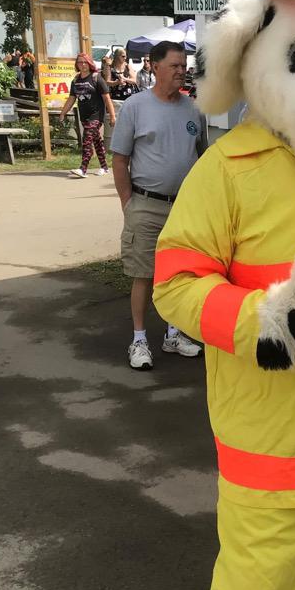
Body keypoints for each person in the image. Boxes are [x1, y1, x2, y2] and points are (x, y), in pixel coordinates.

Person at [111, 40, 205, 370]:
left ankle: (174, 334)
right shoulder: (136, 106)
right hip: (146, 205)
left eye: (184, 66)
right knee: (143, 275)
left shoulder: (193, 108)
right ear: (155, 66)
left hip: (184, 208)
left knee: (179, 273)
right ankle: (139, 340)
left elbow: (202, 155)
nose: (182, 71)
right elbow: (120, 160)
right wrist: (128, 203)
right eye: (175, 66)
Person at [57, 53, 115, 179]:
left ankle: (83, 169)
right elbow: (71, 99)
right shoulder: (76, 80)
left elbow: (107, 98)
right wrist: (63, 113)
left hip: (96, 116)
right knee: (97, 141)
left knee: (87, 139)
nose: (82, 64)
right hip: (84, 116)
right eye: (80, 62)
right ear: (76, 64)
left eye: (85, 62)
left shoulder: (96, 78)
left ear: (89, 63)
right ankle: (104, 167)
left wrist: (112, 116)